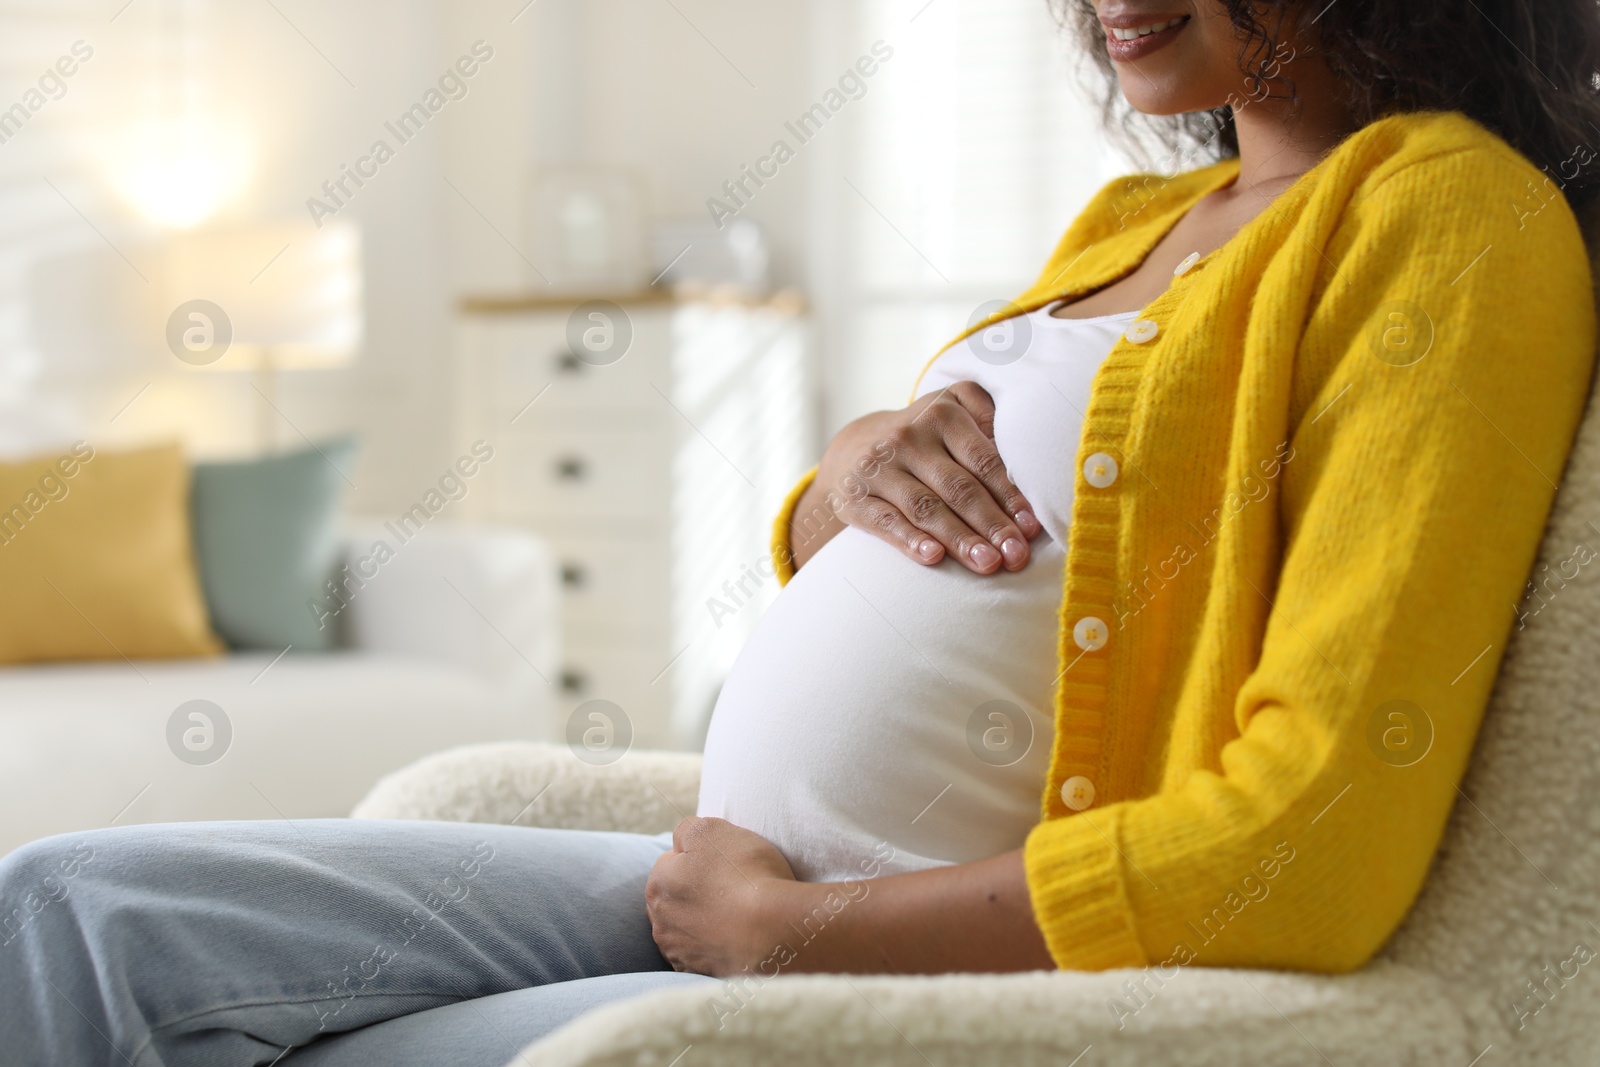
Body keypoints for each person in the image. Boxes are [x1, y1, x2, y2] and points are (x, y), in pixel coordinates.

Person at [5, 1, 1599, 1063]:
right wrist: (843, 479)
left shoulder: (1449, 220)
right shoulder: (1133, 225)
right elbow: (981, 547)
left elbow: (1309, 840)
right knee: (69, 906)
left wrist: (797, 934)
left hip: (881, 937)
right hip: (719, 875)